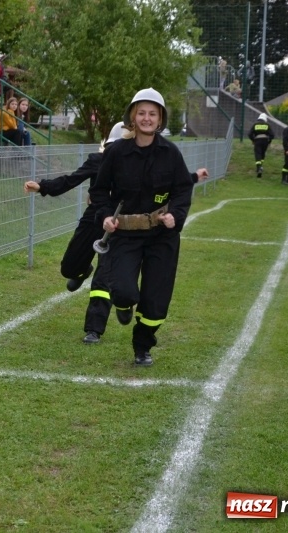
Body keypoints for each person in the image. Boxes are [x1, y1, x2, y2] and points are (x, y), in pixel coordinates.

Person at [25, 121, 208, 345]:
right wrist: (43, 187)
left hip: (121, 225)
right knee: (69, 268)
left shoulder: (142, 162)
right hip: (96, 218)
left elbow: (168, 181)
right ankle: (81, 271)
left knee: (105, 275)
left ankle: (95, 328)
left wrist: (194, 177)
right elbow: (72, 179)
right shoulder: (98, 160)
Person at [88, 88, 194, 366]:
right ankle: (123, 305)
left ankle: (143, 346)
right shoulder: (116, 153)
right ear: (133, 117)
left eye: (153, 114)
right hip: (125, 234)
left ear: (160, 120)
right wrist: (106, 215)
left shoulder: (171, 153)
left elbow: (183, 189)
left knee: (156, 301)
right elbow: (99, 190)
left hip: (161, 235)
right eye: (142, 113)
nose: (147, 118)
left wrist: (175, 216)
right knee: (124, 290)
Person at [248, 112, 274, 178]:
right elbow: (272, 135)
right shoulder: (267, 125)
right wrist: (269, 141)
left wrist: (253, 140)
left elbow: (249, 134)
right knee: (262, 153)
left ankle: (258, 168)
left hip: (257, 141)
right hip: (265, 141)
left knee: (258, 154)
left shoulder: (255, 125)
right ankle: (261, 166)